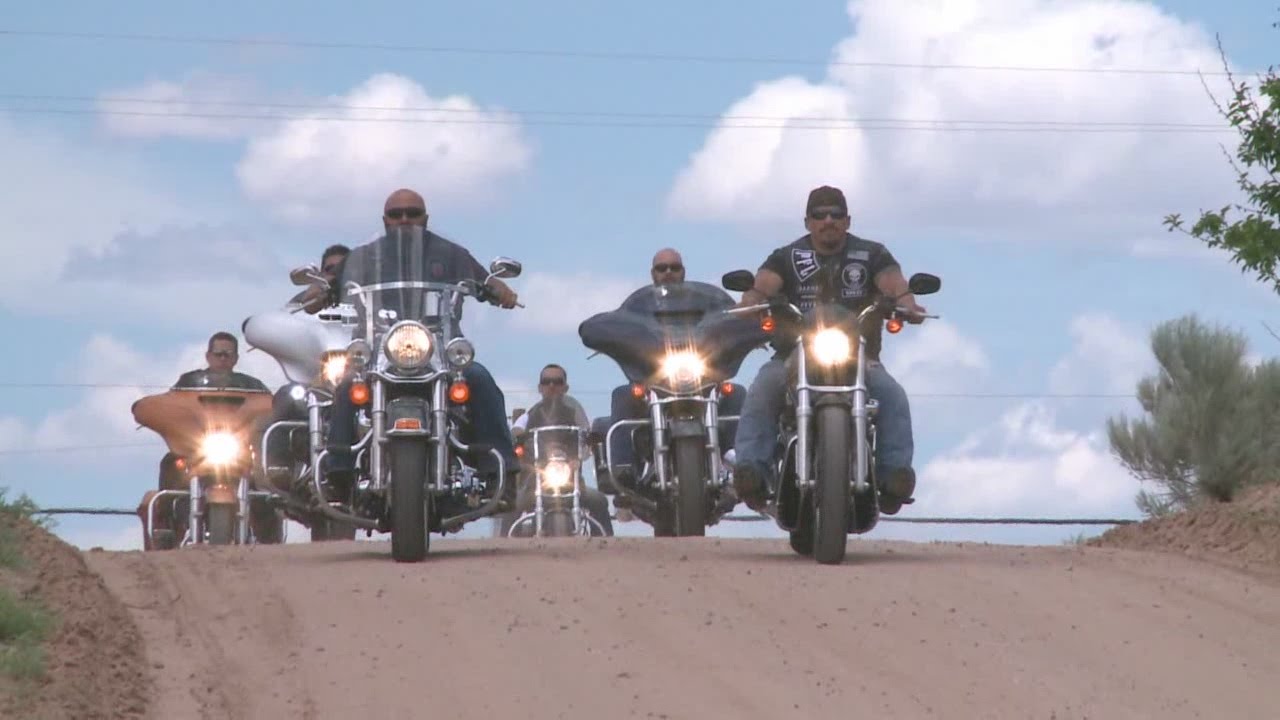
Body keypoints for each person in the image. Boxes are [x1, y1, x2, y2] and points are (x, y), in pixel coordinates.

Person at [731, 185, 927, 515]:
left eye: (836, 214)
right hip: (794, 355)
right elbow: (762, 285)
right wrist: (751, 302)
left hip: (859, 358)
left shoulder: (871, 254)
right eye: (820, 215)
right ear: (807, 221)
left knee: (893, 395)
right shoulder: (788, 256)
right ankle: (752, 471)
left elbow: (893, 282)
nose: (828, 221)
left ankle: (893, 475)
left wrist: (907, 303)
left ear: (847, 220)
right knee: (763, 389)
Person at [323, 188, 521, 507]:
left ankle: (501, 473)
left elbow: (483, 280)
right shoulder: (363, 257)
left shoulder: (451, 254)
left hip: (439, 352)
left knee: (481, 380)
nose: (405, 219)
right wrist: (317, 295)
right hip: (379, 353)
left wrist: (499, 289)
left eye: (412, 213)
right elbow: (331, 289)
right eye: (397, 214)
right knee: (346, 386)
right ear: (385, 220)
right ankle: (339, 475)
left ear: (425, 219)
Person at [589, 249, 745, 496]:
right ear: (653, 273)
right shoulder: (638, 308)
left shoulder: (706, 303)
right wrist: (604, 331)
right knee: (623, 394)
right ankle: (623, 466)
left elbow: (729, 319)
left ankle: (738, 458)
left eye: (674, 267)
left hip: (702, 379)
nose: (668, 272)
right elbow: (619, 324)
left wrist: (747, 325)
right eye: (662, 268)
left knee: (736, 393)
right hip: (655, 383)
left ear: (683, 271)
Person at [141, 331, 273, 548]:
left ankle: (268, 530)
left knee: (265, 479)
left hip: (239, 450)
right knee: (171, 463)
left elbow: (268, 407)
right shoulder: (190, 382)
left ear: (236, 359)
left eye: (228, 355)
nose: (223, 359)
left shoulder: (251, 385)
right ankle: (166, 524)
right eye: (218, 354)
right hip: (197, 448)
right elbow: (171, 404)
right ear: (208, 355)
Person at [503, 364, 614, 536]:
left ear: (565, 387)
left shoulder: (574, 412)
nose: (552, 386)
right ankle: (505, 550)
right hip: (536, 482)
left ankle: (607, 547)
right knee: (512, 504)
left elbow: (587, 435)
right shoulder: (531, 415)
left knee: (599, 501)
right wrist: (518, 438)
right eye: (546, 382)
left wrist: (583, 453)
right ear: (540, 387)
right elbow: (517, 430)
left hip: (572, 481)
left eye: (557, 382)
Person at [289, 244, 351, 314]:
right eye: (331, 269)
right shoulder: (302, 300)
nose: (337, 274)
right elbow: (307, 306)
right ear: (322, 275)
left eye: (343, 269)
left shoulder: (362, 291)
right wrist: (320, 296)